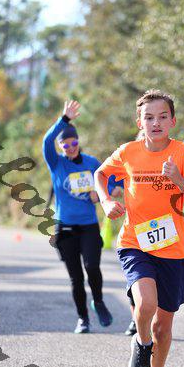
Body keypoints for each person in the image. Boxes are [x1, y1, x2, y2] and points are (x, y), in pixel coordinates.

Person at [95, 89, 184, 367]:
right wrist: (106, 200)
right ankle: (142, 345)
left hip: (173, 250)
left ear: (172, 121)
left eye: (162, 117)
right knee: (145, 304)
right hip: (136, 243)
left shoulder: (183, 154)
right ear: (139, 122)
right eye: (149, 117)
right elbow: (100, 174)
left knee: (163, 328)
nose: (155, 123)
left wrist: (178, 179)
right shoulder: (128, 152)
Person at [123, 101, 184, 337]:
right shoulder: (130, 158)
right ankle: (137, 320)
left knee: (160, 309)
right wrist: (110, 196)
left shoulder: (174, 156)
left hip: (167, 238)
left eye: (162, 118)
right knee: (141, 287)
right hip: (137, 234)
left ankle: (144, 321)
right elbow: (111, 179)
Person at [43, 100, 117, 334]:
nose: (70, 147)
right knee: (76, 278)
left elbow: (109, 179)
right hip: (65, 229)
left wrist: (103, 193)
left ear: (78, 142)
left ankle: (99, 301)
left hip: (88, 226)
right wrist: (64, 119)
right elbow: (46, 141)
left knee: (92, 267)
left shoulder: (91, 163)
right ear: (60, 147)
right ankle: (83, 319)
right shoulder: (56, 163)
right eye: (65, 144)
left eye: (74, 143)